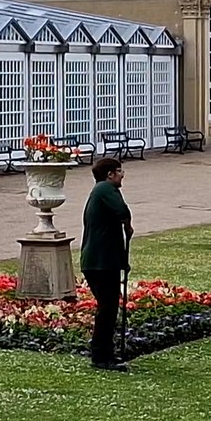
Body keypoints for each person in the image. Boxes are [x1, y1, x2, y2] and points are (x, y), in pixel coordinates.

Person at [80, 157, 133, 372]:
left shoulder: (103, 191)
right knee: (107, 307)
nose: (122, 175)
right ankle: (101, 355)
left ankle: (105, 352)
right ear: (109, 174)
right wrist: (128, 225)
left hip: (104, 260)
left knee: (109, 307)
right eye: (119, 171)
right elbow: (122, 211)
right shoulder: (104, 189)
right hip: (99, 262)